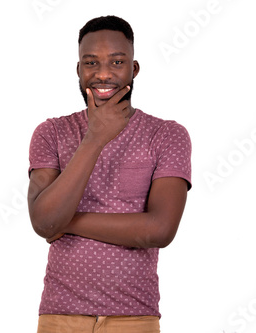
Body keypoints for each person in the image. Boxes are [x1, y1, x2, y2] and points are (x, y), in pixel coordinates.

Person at [28, 15, 192, 333]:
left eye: (117, 61)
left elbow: (159, 229)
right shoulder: (51, 132)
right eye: (91, 63)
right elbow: (44, 222)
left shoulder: (167, 135)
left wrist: (67, 221)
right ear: (79, 70)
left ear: (134, 69)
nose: (103, 74)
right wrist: (95, 138)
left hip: (135, 318)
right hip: (60, 317)